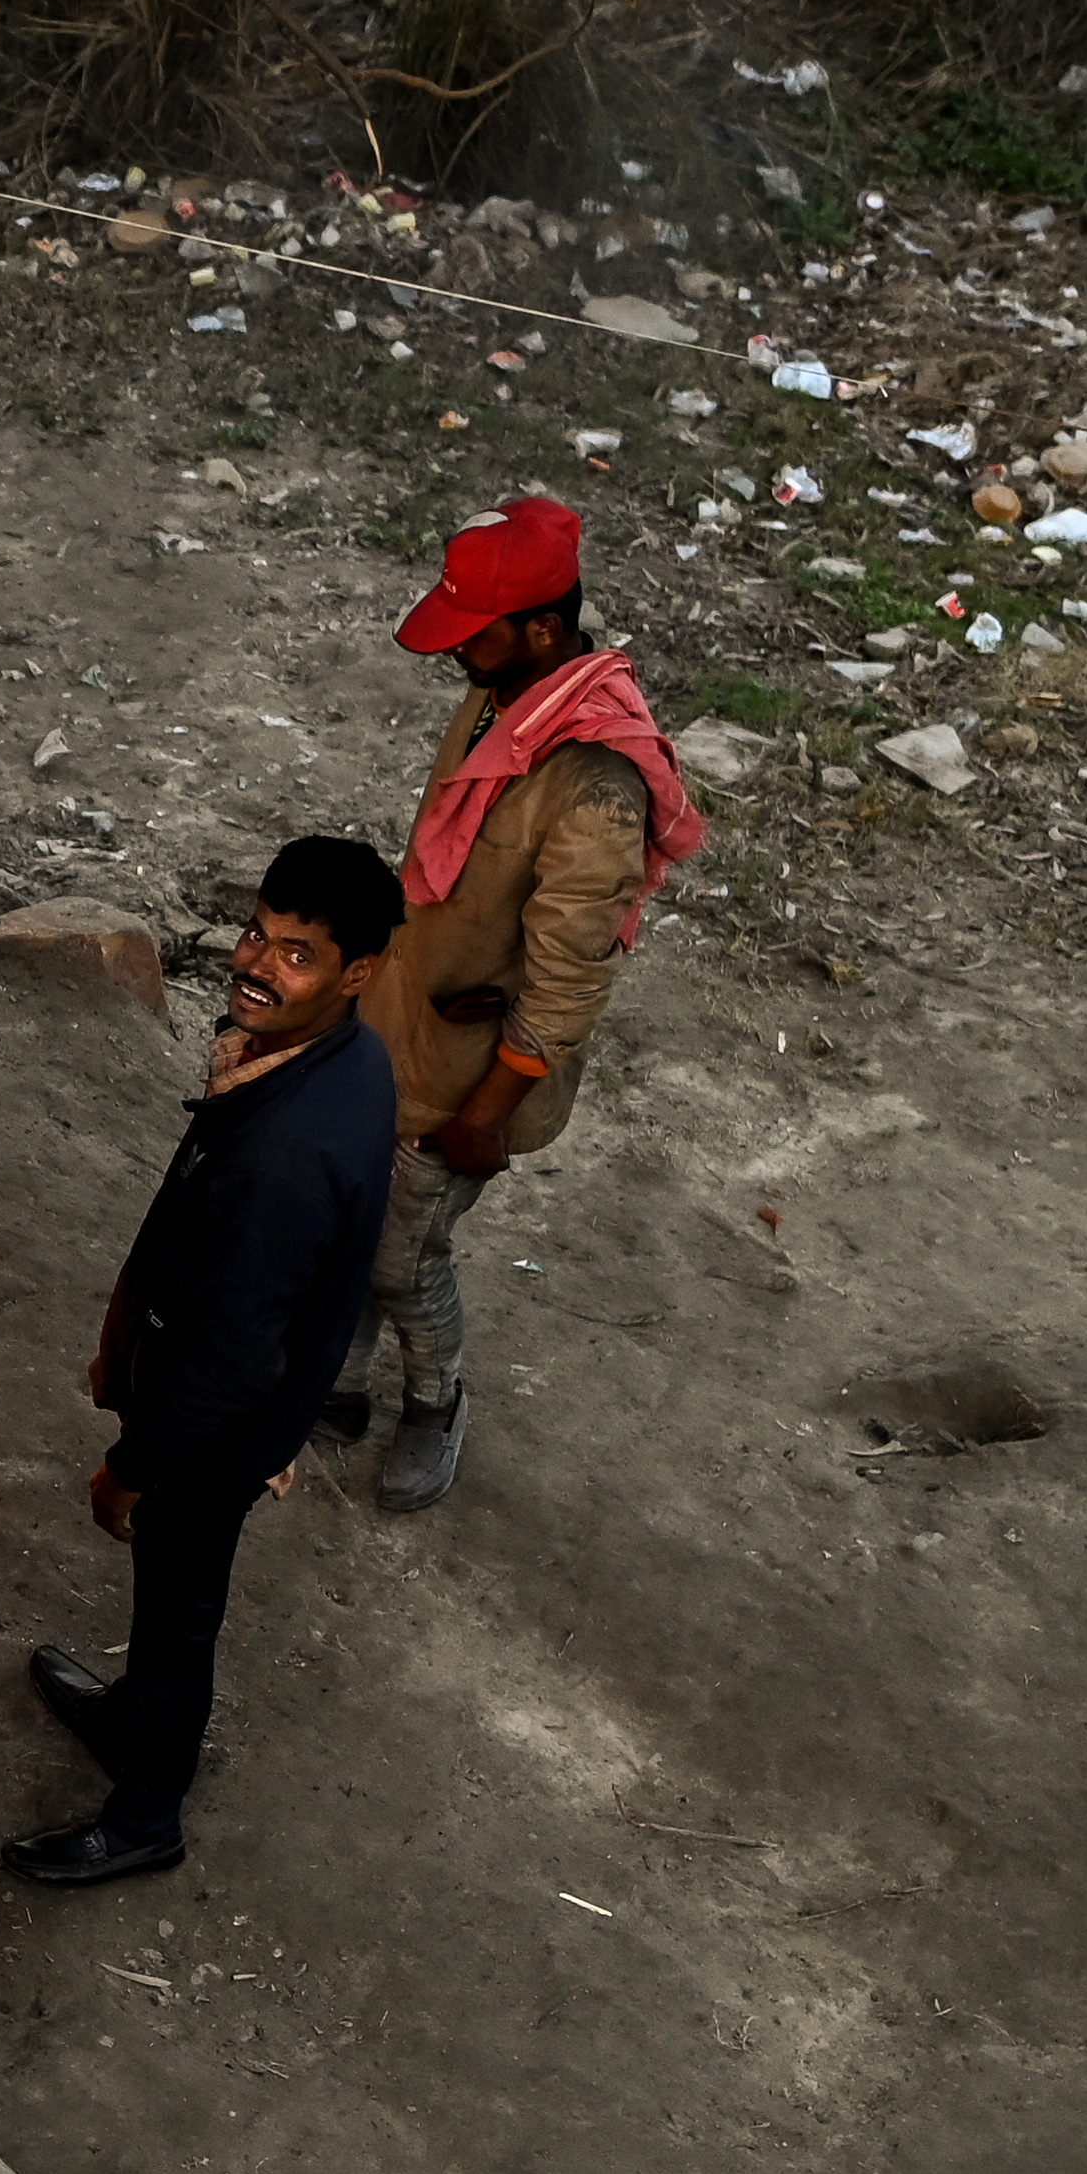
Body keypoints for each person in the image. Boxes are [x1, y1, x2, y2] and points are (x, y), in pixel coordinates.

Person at [8, 836, 403, 1888]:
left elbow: (228, 1362)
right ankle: (130, 1716)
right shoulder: (343, 1057)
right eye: (255, 935)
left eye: (297, 955)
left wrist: (130, 1468)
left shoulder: (286, 1153)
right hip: (228, 1395)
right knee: (168, 1602)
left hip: (212, 1436)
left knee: (179, 1609)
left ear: (357, 971)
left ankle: (145, 1813)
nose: (256, 966)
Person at [337, 493, 709, 1510]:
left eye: (475, 630)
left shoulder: (592, 786)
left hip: (471, 1079)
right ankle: (337, 1383)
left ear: (543, 628)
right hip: (406, 1031)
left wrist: (486, 1116)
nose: (455, 650)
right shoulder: (503, 698)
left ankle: (433, 1403)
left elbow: (569, 981)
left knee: (403, 1257)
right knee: (358, 1217)